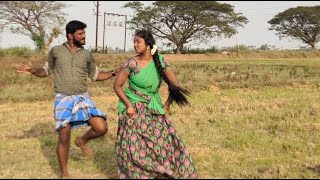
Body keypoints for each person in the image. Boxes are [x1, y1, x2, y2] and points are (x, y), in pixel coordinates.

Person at [16, 20, 121, 179]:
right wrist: (32, 71)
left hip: (82, 97)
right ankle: (64, 174)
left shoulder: (86, 54)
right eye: (80, 33)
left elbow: (95, 75)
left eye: (84, 33)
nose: (84, 36)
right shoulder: (56, 51)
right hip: (63, 98)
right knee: (64, 135)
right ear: (70, 35)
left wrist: (113, 72)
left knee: (101, 127)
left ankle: (82, 140)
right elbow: (46, 71)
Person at [113, 29, 198, 179]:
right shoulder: (132, 63)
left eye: (138, 42)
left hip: (154, 107)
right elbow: (117, 86)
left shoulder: (161, 61)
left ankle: (162, 171)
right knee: (134, 147)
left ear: (148, 44)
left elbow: (175, 86)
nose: (135, 45)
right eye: (134, 42)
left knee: (161, 142)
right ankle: (141, 174)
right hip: (134, 107)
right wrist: (129, 105)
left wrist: (166, 106)